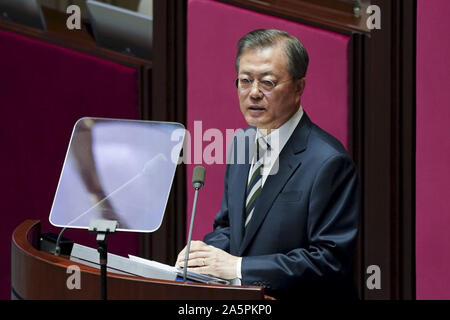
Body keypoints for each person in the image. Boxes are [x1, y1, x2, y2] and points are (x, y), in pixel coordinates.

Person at [176, 29, 360, 300]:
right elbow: (229, 227)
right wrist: (204, 257)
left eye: (268, 83)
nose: (253, 93)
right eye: (245, 80)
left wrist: (238, 267)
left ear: (299, 87)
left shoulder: (329, 162)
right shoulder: (242, 142)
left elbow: (329, 260)